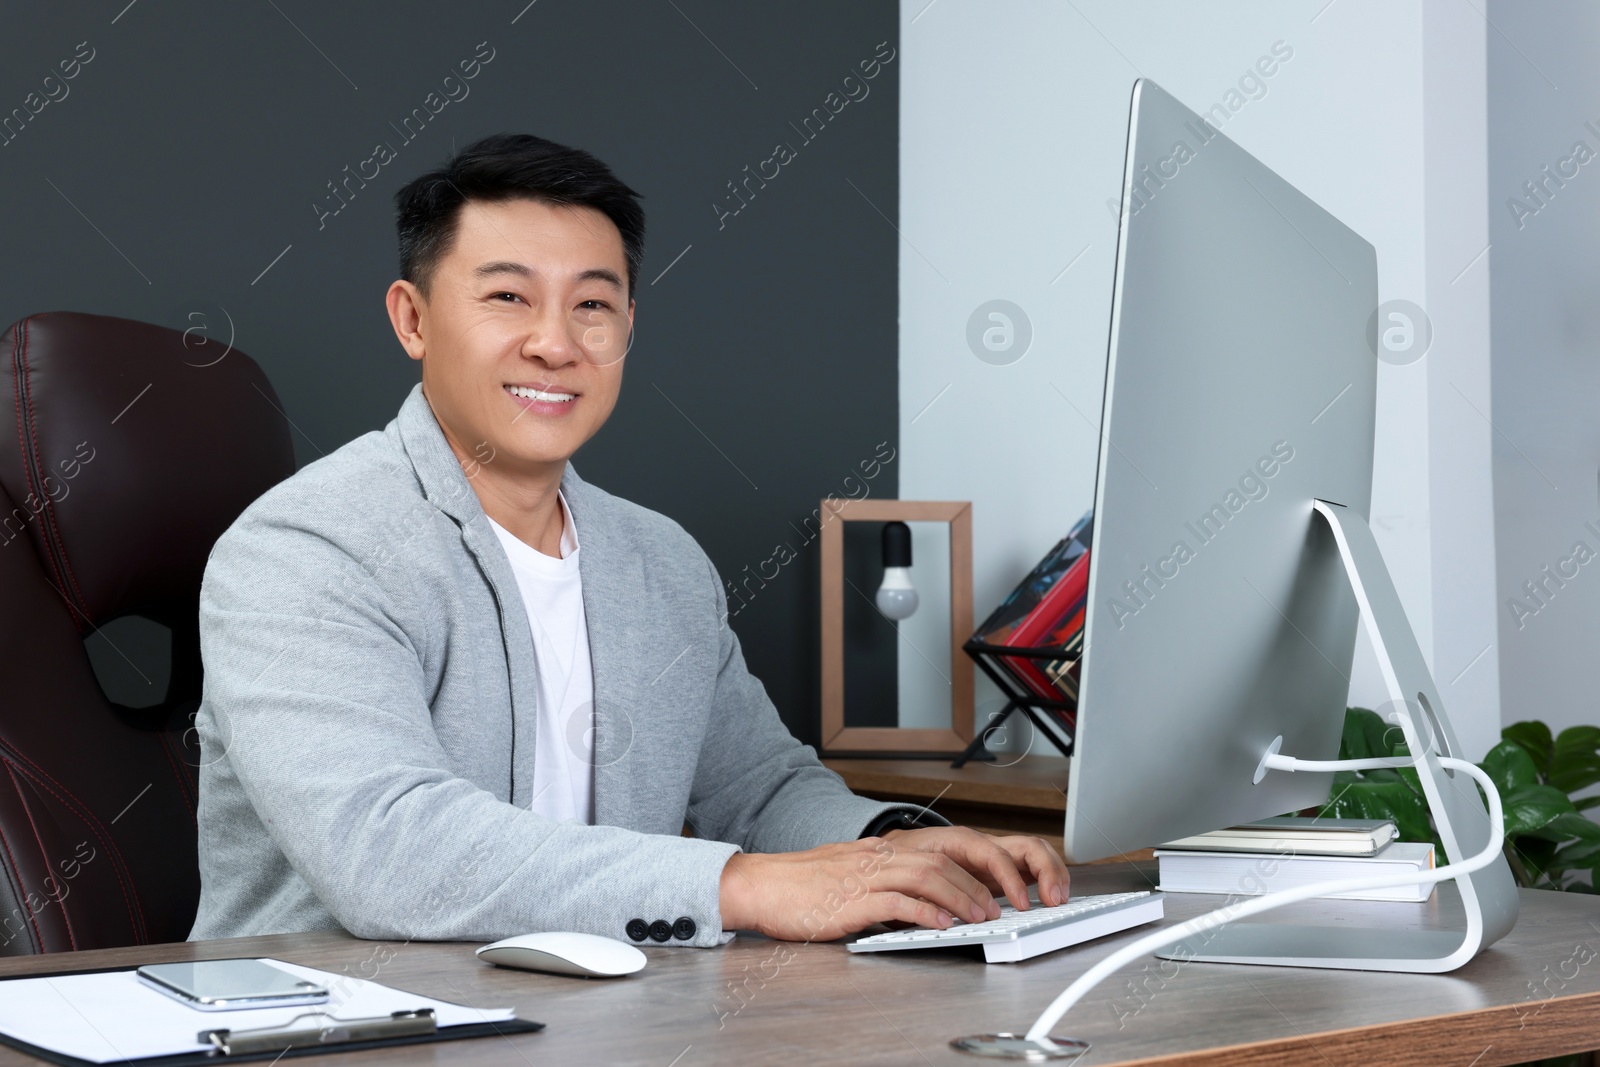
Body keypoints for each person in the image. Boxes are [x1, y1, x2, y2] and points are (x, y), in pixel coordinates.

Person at [188, 132, 1068, 948]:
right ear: (412, 320)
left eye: (594, 306)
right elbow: (386, 850)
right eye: (507, 296)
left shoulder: (663, 562)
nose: (555, 343)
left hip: (592, 1021)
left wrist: (907, 851)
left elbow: (761, 790)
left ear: (628, 330)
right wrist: (740, 887)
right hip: (328, 1027)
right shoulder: (305, 550)